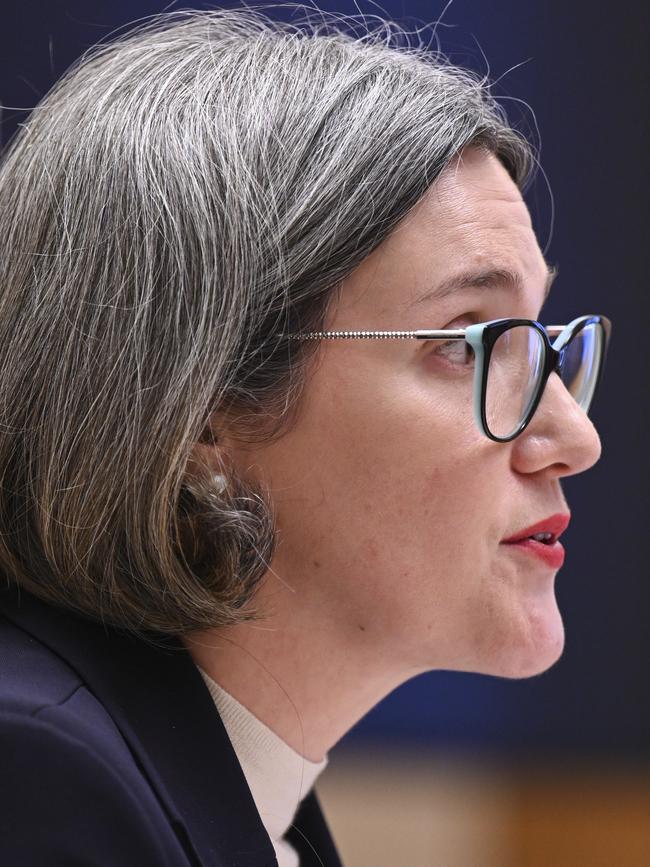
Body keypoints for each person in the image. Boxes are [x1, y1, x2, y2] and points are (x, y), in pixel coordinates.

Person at [0, 5, 611, 867]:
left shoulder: (247, 793)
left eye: (542, 343)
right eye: (467, 342)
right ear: (205, 409)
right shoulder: (38, 777)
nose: (571, 435)